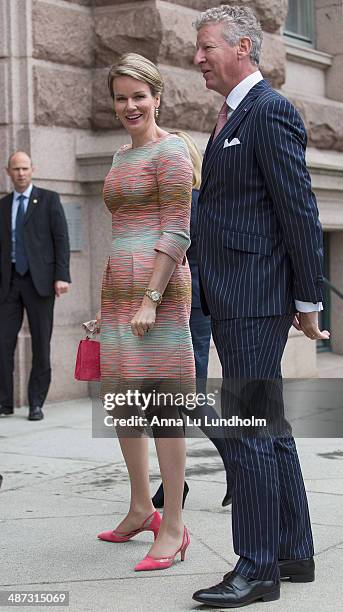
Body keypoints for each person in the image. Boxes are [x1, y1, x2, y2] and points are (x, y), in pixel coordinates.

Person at [191, 5, 330, 608]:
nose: (198, 58)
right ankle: (294, 554)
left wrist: (308, 299)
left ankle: (256, 567)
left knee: (248, 431)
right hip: (235, 292)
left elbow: (300, 211)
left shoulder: (270, 111)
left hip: (254, 296)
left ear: (244, 47)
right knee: (268, 429)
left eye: (207, 47)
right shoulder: (230, 116)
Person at [96, 53, 194, 571]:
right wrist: (108, 307)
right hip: (119, 288)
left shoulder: (172, 151)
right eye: (121, 97)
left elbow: (177, 230)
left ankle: (174, 523)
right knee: (122, 403)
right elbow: (121, 230)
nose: (130, 105)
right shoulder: (117, 158)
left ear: (157, 97)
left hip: (159, 289)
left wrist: (150, 300)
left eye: (139, 96)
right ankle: (140, 508)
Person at [152, 130, 232, 509]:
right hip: (179, 305)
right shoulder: (180, 200)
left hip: (188, 307)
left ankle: (235, 461)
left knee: (187, 395)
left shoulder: (192, 201)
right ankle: (174, 484)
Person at [0, 152, 71, 421]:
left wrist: (61, 276)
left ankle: (36, 403)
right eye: (16, 169)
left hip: (40, 282)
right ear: (8, 172)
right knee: (3, 342)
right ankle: (5, 402)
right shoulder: (3, 205)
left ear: (33, 170)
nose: (20, 173)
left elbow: (61, 239)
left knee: (41, 344)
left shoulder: (49, 199)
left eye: (25, 168)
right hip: (8, 285)